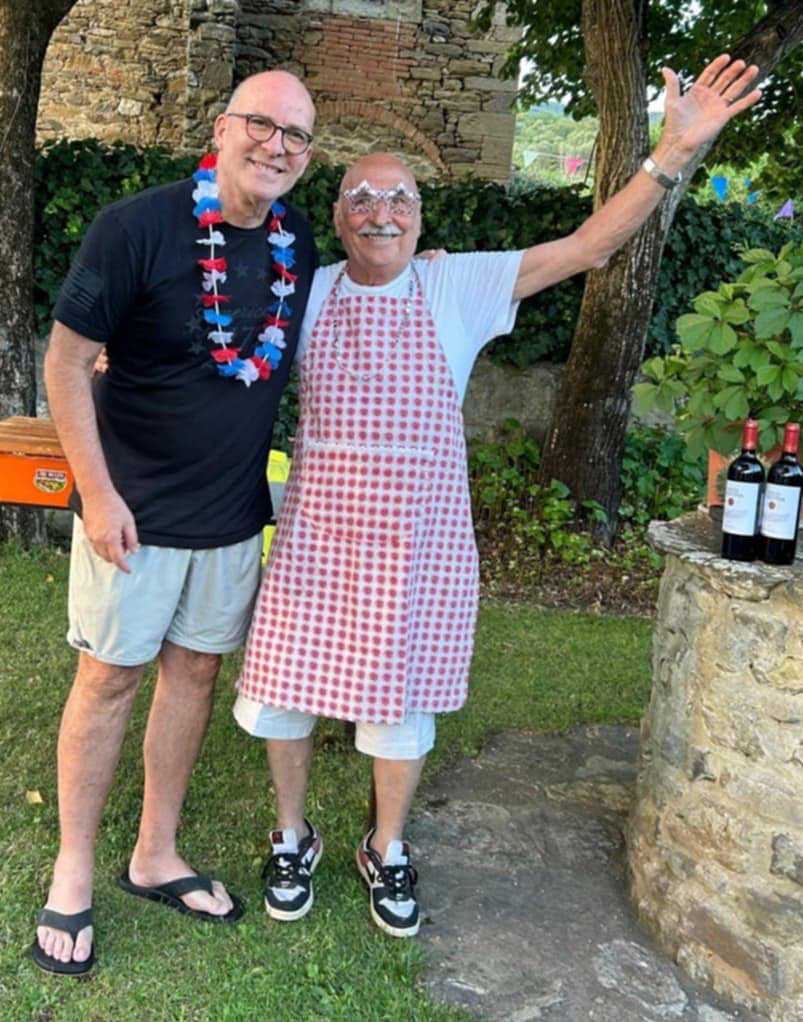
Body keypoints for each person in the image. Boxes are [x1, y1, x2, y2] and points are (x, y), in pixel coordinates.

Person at [232, 55, 761, 938]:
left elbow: (588, 247)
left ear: (421, 219)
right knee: (281, 694)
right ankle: (292, 833)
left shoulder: (458, 284)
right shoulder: (304, 292)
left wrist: (673, 149)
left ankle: (386, 847)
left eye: (399, 198)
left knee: (397, 711)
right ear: (333, 218)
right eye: (361, 197)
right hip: (317, 539)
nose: (381, 212)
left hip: (414, 545)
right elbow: (210, 331)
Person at [33, 70, 318, 975]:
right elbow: (67, 364)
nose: (276, 147)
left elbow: (373, 266)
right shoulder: (137, 226)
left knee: (194, 674)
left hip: (231, 512)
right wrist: (100, 491)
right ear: (222, 128)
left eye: (297, 137)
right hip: (133, 510)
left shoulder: (296, 240)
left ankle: (154, 851)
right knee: (109, 680)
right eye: (261, 125)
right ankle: (72, 870)